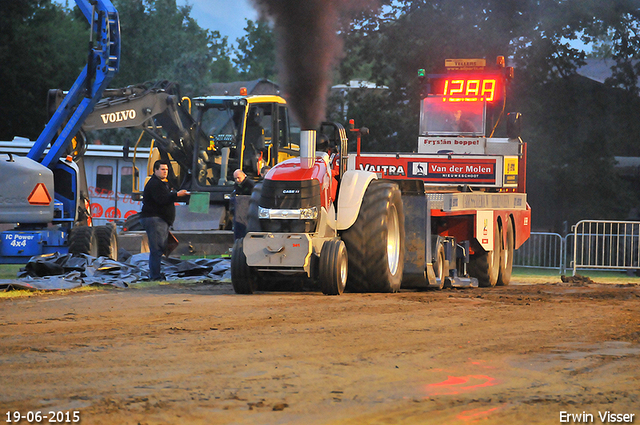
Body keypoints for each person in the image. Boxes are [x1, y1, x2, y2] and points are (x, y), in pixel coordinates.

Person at [140, 160, 189, 281]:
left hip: (160, 220)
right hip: (155, 220)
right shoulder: (154, 184)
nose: (165, 172)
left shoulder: (162, 184)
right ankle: (155, 276)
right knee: (156, 249)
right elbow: (162, 199)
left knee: (159, 248)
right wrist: (176, 195)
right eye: (162, 169)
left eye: (166, 170)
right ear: (155, 170)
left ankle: (156, 274)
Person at [231, 169, 255, 239]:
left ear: (244, 175)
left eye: (239, 178)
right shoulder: (236, 185)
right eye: (235, 178)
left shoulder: (251, 184)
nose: (237, 180)